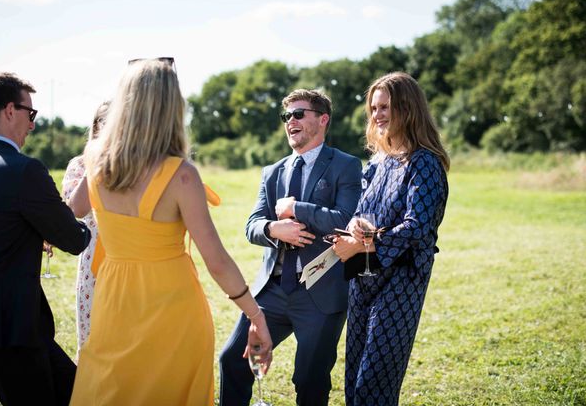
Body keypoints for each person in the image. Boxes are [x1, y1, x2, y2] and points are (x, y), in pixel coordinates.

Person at [69, 58, 272, 406]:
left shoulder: (95, 161)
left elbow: (68, 214)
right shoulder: (181, 175)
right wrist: (255, 314)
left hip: (113, 299)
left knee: (109, 390)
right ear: (171, 108)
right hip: (174, 309)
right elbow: (217, 261)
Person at [220, 89, 362, 406]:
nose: (291, 122)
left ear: (322, 119)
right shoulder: (272, 173)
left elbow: (347, 219)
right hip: (272, 292)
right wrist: (273, 227)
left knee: (310, 381)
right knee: (232, 360)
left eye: (299, 114)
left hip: (321, 293)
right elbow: (252, 225)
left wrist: (298, 208)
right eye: (287, 116)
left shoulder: (346, 165)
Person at [0, 73, 92, 406]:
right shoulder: (23, 170)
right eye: (30, 114)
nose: (33, 125)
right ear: (10, 111)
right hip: (10, 328)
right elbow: (74, 239)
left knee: (76, 392)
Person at [332, 72, 449, 406]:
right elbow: (362, 208)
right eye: (373, 108)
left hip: (401, 280)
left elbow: (418, 226)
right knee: (353, 377)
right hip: (363, 275)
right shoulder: (379, 160)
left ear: (407, 108)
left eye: (385, 107)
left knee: (375, 382)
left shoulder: (424, 162)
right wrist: (355, 226)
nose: (377, 114)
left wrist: (366, 244)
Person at [62, 100, 110, 352]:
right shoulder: (80, 165)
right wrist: (98, 159)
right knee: (93, 342)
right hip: (94, 261)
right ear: (98, 127)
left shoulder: (136, 165)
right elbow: (76, 209)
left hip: (132, 257)